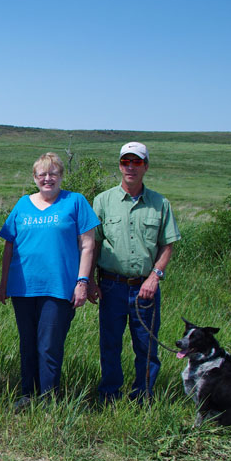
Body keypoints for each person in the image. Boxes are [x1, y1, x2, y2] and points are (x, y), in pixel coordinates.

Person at [0, 152, 98, 405]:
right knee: (27, 343)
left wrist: (82, 282)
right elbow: (9, 245)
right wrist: (3, 282)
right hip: (23, 286)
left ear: (61, 176)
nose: (48, 179)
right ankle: (26, 395)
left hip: (59, 287)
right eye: (42, 174)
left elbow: (88, 245)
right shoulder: (22, 204)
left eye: (53, 173)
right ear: (35, 177)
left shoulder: (75, 202)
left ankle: (48, 399)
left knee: (49, 346)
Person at [88, 142, 181, 402]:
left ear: (146, 167)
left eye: (136, 162)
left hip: (145, 288)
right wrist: (92, 281)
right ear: (119, 166)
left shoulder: (160, 203)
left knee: (147, 347)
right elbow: (94, 243)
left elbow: (167, 244)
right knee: (110, 345)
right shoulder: (103, 200)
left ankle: (144, 397)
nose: (130, 167)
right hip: (111, 286)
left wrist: (155, 277)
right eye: (125, 162)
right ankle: (109, 395)